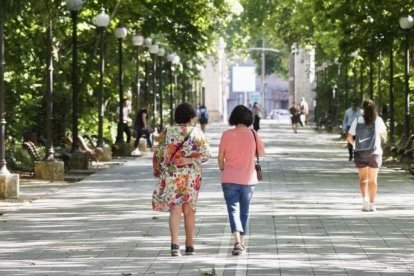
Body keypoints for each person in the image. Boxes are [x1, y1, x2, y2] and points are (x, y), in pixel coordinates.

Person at [152, 103, 211, 256]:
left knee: (175, 209)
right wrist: (189, 160)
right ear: (191, 117)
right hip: (192, 176)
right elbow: (206, 154)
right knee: (189, 210)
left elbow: (159, 154)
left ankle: (174, 245)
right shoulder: (197, 132)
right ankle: (190, 246)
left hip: (173, 175)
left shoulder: (168, 132)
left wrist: (158, 169)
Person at [218, 105, 265, 256]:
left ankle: (237, 241)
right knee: (245, 211)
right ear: (249, 119)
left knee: (233, 210)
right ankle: (242, 242)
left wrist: (223, 168)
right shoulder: (253, 134)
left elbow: (220, 158)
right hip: (248, 179)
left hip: (229, 178)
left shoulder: (226, 134)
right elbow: (262, 154)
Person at [347, 99, 387, 212]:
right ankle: (372, 204)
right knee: (373, 180)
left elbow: (349, 138)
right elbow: (384, 136)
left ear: (362, 109)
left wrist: (356, 145)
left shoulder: (357, 120)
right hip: (375, 153)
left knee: (363, 179)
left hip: (360, 153)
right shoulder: (378, 120)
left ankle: (365, 201)